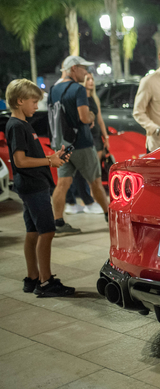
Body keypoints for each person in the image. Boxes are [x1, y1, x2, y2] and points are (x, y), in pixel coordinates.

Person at [5, 79, 74, 296]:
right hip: (33, 187)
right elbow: (20, 161)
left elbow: (29, 157)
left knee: (33, 231)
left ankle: (32, 277)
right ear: (20, 101)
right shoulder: (17, 126)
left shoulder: (22, 124)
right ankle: (46, 282)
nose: (37, 106)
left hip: (32, 186)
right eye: (34, 101)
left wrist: (53, 157)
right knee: (48, 231)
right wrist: (48, 161)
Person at [50, 56, 110, 236]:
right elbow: (84, 118)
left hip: (62, 145)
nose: (85, 72)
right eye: (83, 68)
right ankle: (109, 216)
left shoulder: (53, 89)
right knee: (95, 182)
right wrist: (91, 116)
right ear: (74, 68)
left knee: (62, 184)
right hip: (82, 144)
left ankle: (58, 221)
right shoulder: (78, 89)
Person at [65, 72, 108, 215]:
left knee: (95, 171)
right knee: (88, 172)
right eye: (87, 79)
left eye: (92, 79)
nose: (91, 81)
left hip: (96, 136)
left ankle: (91, 200)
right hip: (86, 137)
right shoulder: (80, 97)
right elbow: (82, 118)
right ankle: (88, 200)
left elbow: (100, 118)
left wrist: (105, 135)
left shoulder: (94, 98)